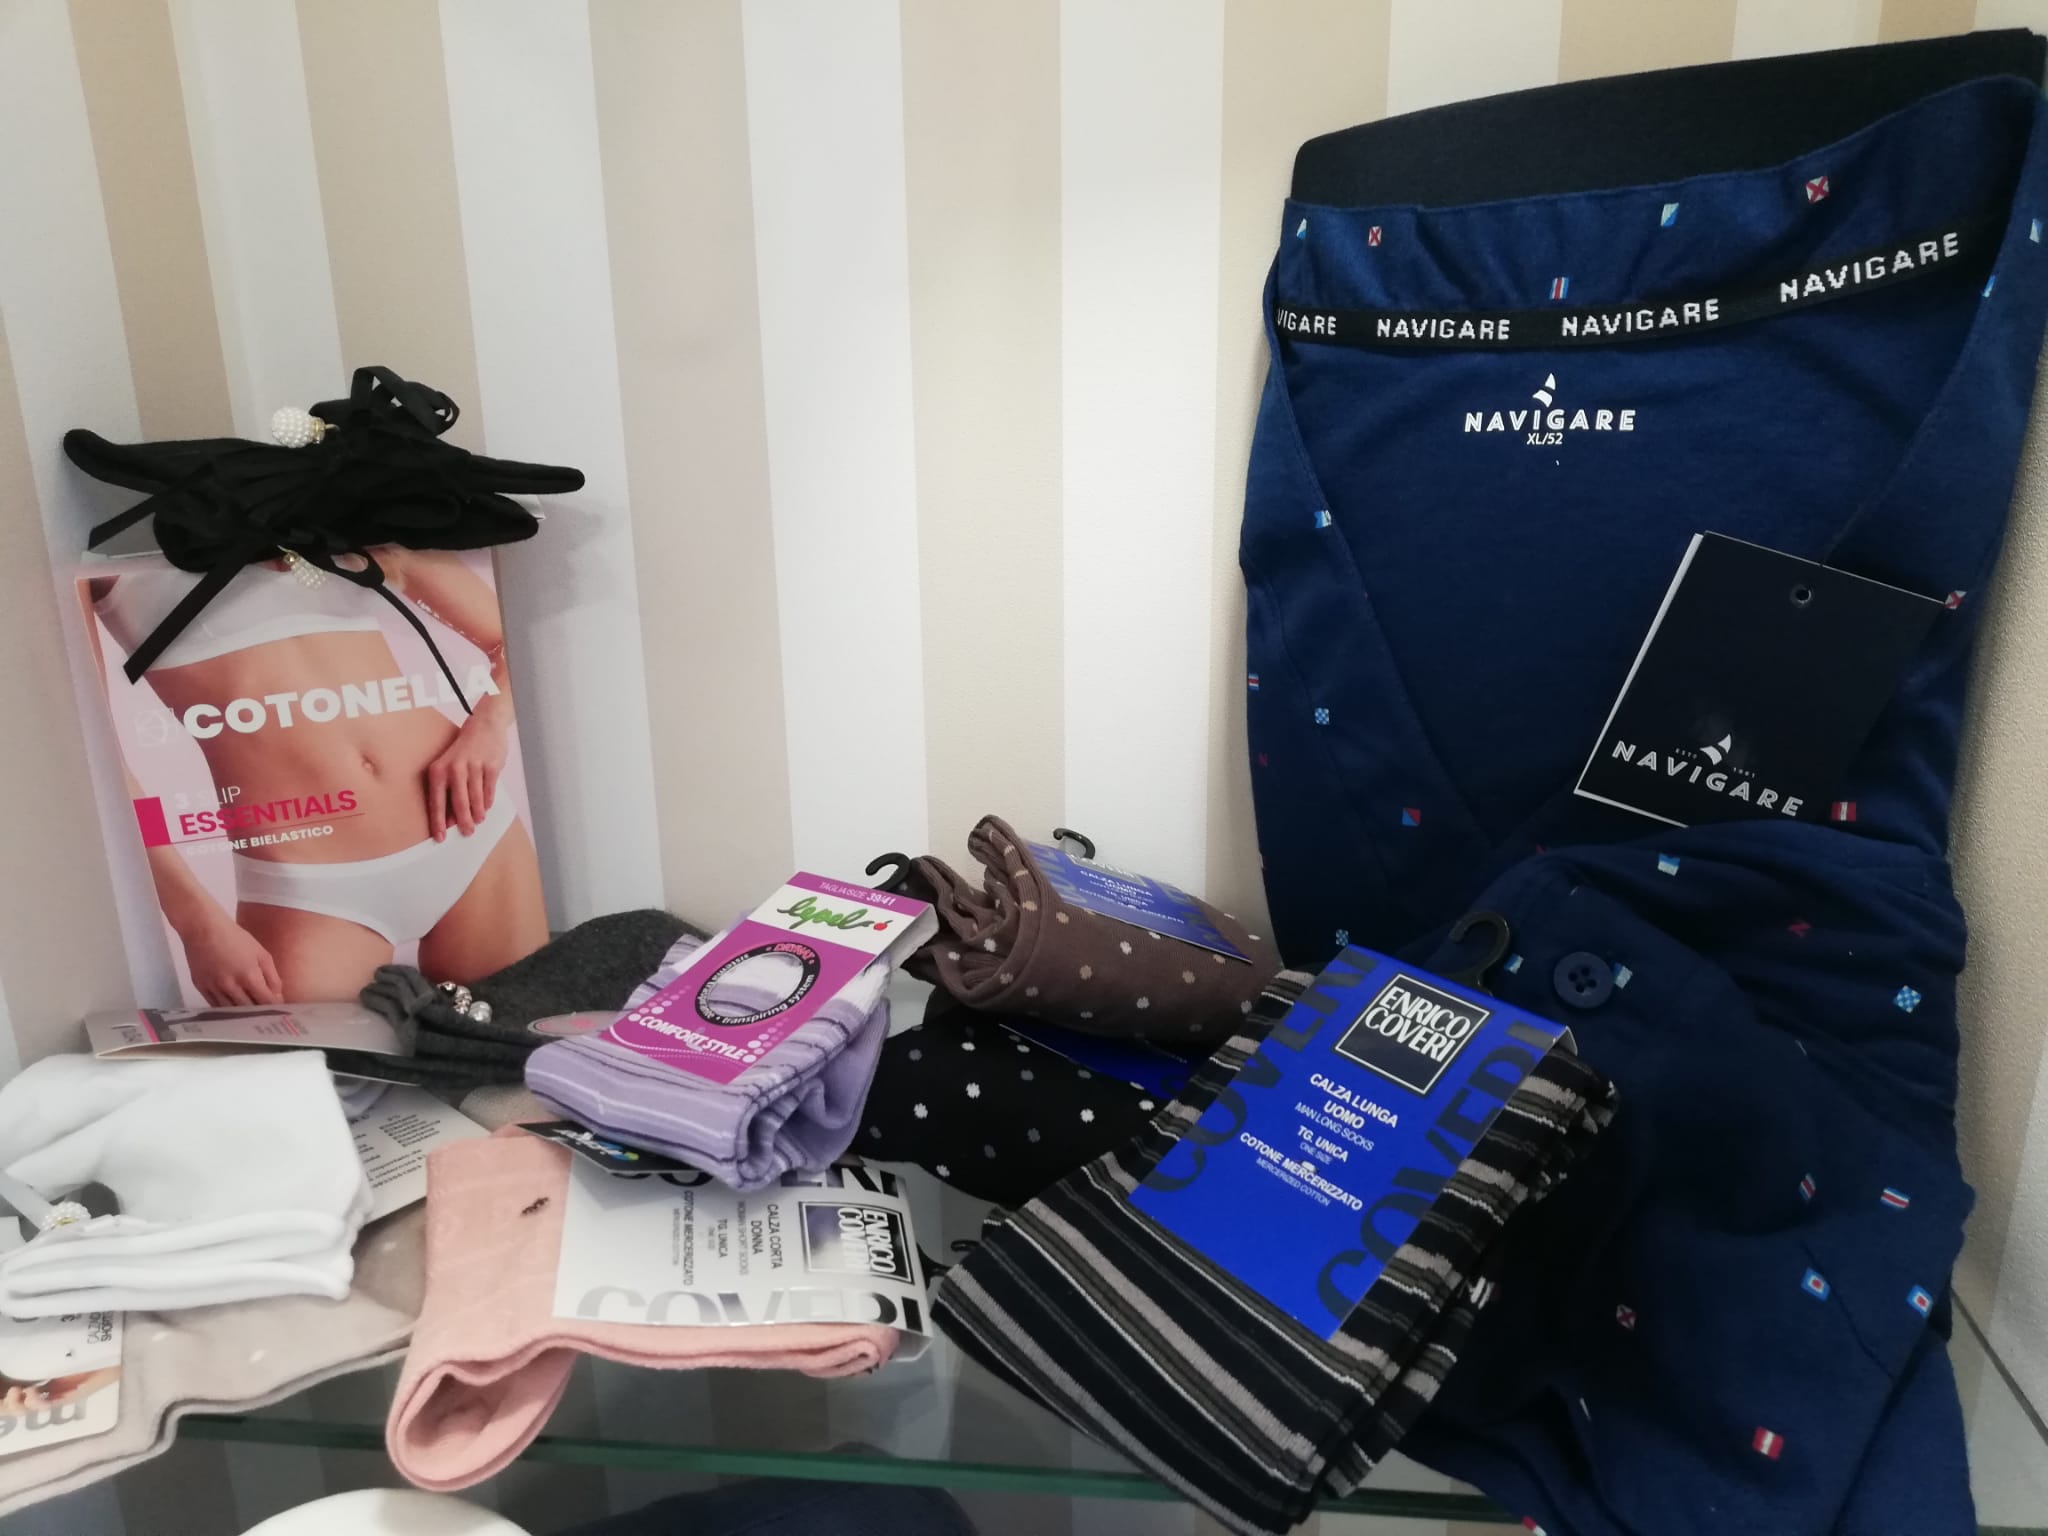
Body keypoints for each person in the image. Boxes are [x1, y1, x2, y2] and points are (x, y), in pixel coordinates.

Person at [85, 549, 548, 1003]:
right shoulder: (91, 546)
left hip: (473, 834)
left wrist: (487, 727)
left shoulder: (346, 512)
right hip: (307, 890)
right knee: (311, 1058)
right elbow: (94, 758)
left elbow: (510, 639)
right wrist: (195, 922)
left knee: (524, 1041)